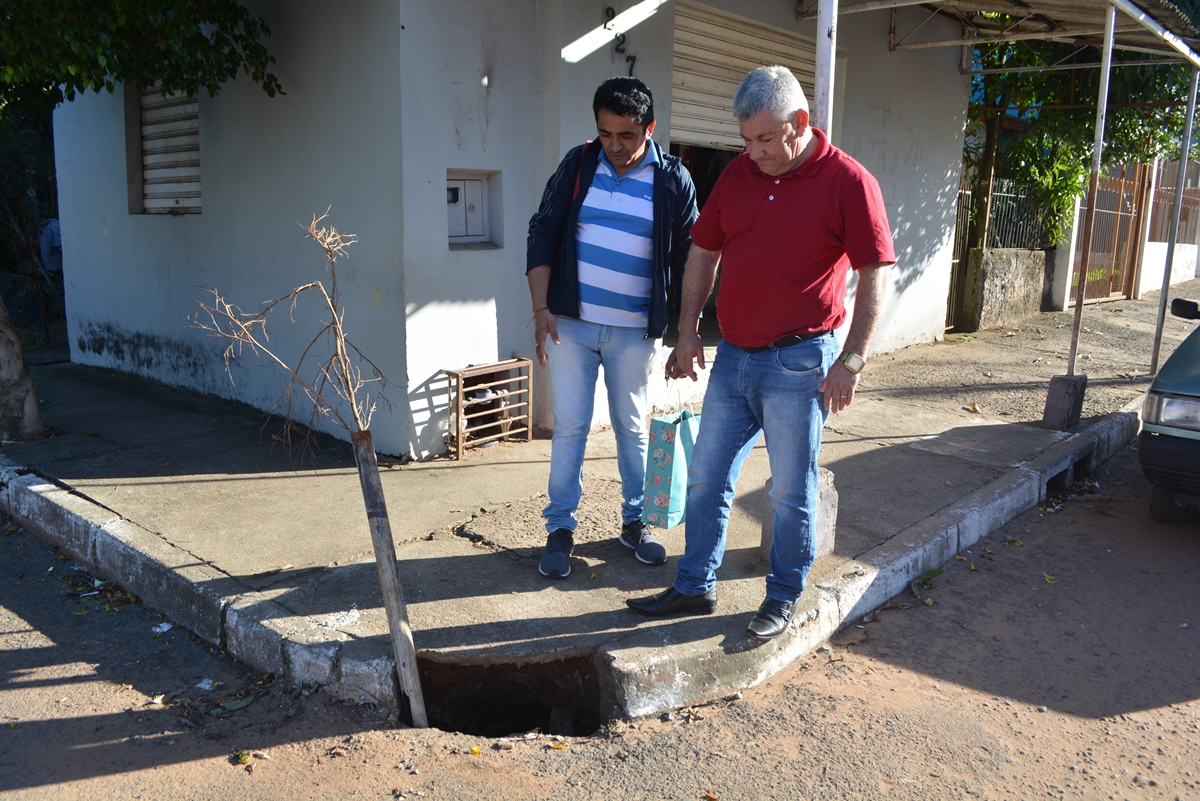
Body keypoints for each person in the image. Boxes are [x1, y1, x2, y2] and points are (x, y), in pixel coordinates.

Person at [626, 66, 895, 638]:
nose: (754, 152)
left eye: (766, 139)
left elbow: (875, 273)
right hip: (733, 359)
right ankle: (694, 585)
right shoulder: (740, 174)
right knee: (705, 478)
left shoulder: (849, 181)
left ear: (801, 122)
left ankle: (782, 596)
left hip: (800, 362)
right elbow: (704, 252)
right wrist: (688, 330)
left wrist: (851, 361)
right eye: (746, 140)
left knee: (789, 491)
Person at [526, 77, 698, 579]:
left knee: (632, 429)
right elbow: (542, 232)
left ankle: (635, 523)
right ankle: (560, 528)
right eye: (605, 134)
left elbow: (692, 256)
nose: (615, 146)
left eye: (627, 135)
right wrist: (541, 309)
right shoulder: (579, 164)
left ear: (650, 127)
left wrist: (686, 331)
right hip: (572, 327)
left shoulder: (672, 179)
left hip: (635, 333)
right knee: (570, 429)